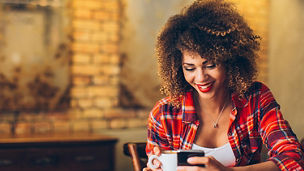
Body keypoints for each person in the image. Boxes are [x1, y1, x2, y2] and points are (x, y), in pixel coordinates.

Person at [144, 0, 304, 170]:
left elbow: (292, 158)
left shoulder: (255, 98)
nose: (200, 77)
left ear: (230, 60)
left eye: (211, 65)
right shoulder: (164, 114)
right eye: (189, 68)